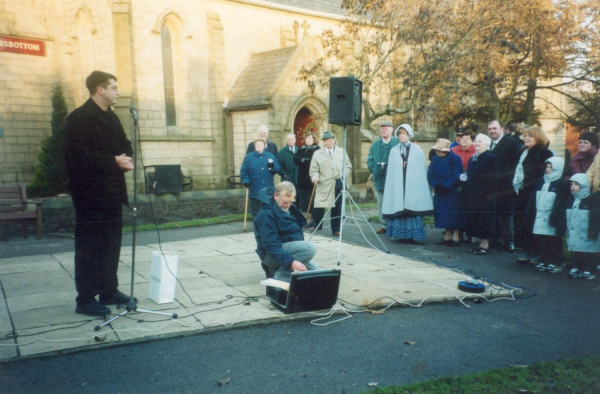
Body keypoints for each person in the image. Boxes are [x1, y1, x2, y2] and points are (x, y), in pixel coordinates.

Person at [63, 71, 133, 316]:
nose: (118, 91)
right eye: (113, 87)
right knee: (89, 247)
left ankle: (108, 290)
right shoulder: (78, 119)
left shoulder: (112, 118)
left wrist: (126, 159)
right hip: (89, 196)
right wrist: (113, 160)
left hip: (112, 193)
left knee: (111, 245)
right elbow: (77, 158)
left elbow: (125, 144)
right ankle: (85, 298)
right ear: (99, 90)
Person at [253, 182, 321, 282]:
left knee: (318, 276)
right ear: (275, 196)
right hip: (271, 255)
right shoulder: (266, 215)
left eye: (291, 201)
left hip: (288, 251)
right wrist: (291, 263)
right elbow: (271, 245)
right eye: (285, 202)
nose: (288, 205)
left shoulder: (290, 207)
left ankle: (280, 270)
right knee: (309, 248)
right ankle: (280, 275)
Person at [382, 124, 433, 243]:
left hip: (412, 185)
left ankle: (413, 235)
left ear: (409, 134)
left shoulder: (416, 150)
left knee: (412, 208)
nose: (401, 136)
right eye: (399, 134)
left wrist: (408, 167)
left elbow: (420, 168)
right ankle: (401, 235)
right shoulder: (394, 151)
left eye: (404, 133)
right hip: (400, 185)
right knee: (399, 207)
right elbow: (392, 171)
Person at [513, 126, 554, 264]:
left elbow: (548, 173)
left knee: (533, 221)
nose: (526, 138)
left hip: (536, 192)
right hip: (522, 191)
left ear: (538, 137)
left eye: (530, 136)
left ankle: (536, 252)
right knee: (522, 221)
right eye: (525, 136)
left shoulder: (544, 153)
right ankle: (526, 250)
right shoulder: (523, 152)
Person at [528, 157, 569, 273]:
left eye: (551, 167)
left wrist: (556, 217)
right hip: (540, 216)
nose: (548, 169)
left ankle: (556, 262)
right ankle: (544, 260)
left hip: (552, 217)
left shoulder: (561, 183)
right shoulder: (541, 182)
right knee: (542, 240)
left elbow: (561, 202)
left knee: (554, 240)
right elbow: (533, 200)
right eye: (546, 166)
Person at [488, 120, 523, 253]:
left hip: (506, 185)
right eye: (490, 129)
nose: (492, 131)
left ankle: (508, 241)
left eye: (495, 128)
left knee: (506, 214)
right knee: (495, 212)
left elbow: (517, 163)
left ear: (502, 129)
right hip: (492, 186)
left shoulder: (512, 143)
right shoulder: (489, 144)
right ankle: (495, 238)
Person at [310, 131, 352, 235]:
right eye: (328, 139)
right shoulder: (317, 154)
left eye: (332, 138)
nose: (331, 141)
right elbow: (314, 169)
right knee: (319, 204)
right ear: (324, 142)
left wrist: (343, 175)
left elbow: (348, 166)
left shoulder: (341, 151)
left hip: (338, 182)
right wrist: (315, 176)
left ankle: (336, 228)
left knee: (337, 206)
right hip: (324, 183)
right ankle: (317, 225)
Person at [464, 134, 499, 255]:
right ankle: (480, 244)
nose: (477, 144)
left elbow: (493, 179)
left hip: (485, 196)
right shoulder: (473, 158)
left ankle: (485, 245)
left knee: (485, 220)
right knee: (476, 220)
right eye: (476, 142)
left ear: (487, 144)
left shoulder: (491, 158)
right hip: (473, 195)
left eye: (480, 142)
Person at [427, 138, 464, 246]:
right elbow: (430, 175)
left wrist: (446, 186)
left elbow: (456, 175)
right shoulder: (434, 159)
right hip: (439, 189)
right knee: (443, 214)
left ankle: (456, 237)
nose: (438, 152)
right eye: (437, 150)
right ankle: (447, 236)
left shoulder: (455, 159)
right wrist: (436, 185)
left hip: (452, 190)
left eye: (440, 150)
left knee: (454, 213)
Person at [564, 174, 600, 280]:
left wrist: (593, 230)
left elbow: (595, 217)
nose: (573, 186)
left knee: (589, 252)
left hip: (587, 232)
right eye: (571, 184)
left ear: (583, 186)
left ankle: (589, 269)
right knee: (576, 250)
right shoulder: (571, 201)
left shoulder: (591, 201)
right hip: (575, 232)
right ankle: (576, 267)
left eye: (576, 184)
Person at [366, 121, 399, 234]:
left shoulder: (397, 142)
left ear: (391, 130)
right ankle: (384, 225)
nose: (384, 130)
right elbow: (369, 159)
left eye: (386, 128)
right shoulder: (375, 144)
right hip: (379, 178)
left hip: (394, 179)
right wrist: (374, 169)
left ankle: (395, 224)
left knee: (394, 201)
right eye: (382, 129)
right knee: (381, 202)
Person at [240, 139, 282, 218]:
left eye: (260, 144)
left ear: (264, 146)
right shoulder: (248, 157)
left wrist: (273, 166)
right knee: (256, 210)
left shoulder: (270, 156)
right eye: (257, 144)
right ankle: (256, 225)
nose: (259, 146)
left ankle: (267, 224)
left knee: (268, 209)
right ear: (255, 146)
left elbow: (277, 169)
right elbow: (243, 171)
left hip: (267, 186)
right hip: (254, 186)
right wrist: (246, 181)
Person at [293, 132, 320, 229]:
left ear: (314, 139)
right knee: (303, 200)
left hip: (312, 179)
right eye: (307, 138)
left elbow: (316, 161)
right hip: (302, 179)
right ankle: (306, 220)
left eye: (310, 138)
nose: (308, 140)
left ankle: (313, 220)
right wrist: (301, 160)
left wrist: (307, 160)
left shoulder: (317, 149)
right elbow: (295, 159)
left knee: (312, 200)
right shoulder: (302, 148)